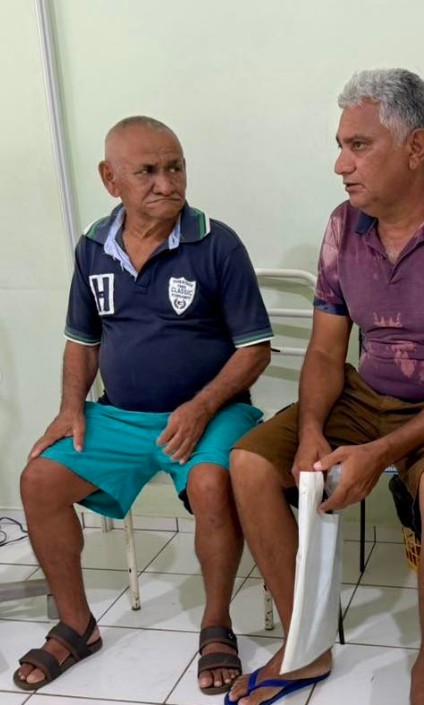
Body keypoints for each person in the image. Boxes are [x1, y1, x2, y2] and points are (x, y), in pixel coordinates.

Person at [229, 69, 424, 705]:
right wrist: (311, 430)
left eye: (359, 146)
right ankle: (305, 645)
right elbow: (326, 350)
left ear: (416, 147)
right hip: (368, 395)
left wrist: (383, 453)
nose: (341, 164)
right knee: (250, 463)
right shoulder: (345, 225)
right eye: (341, 146)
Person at [14, 116, 272, 695]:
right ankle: (77, 625)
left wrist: (200, 407)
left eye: (175, 167)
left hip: (213, 413)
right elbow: (82, 340)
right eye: (148, 171)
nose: (167, 183)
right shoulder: (93, 247)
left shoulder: (217, 243)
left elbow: (255, 349)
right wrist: (71, 407)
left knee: (210, 483)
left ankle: (216, 624)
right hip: (120, 416)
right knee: (39, 480)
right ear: (111, 179)